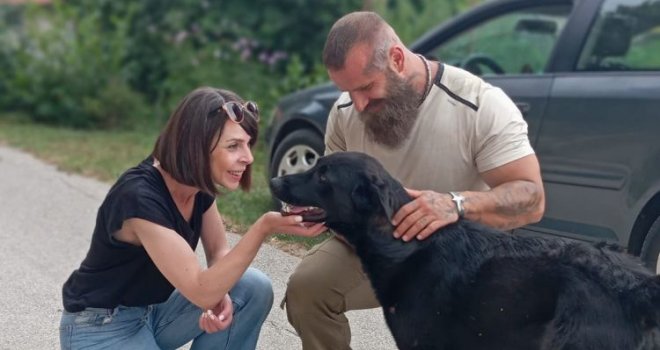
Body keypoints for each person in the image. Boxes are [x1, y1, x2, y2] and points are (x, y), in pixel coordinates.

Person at [283, 11, 546, 349]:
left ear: (396, 59)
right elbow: (332, 194)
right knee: (308, 288)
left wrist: (456, 205)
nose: (357, 104)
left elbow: (531, 197)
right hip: (372, 245)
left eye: (365, 87)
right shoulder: (345, 110)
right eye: (348, 91)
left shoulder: (480, 104)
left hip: (460, 258)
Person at [59, 87, 326, 350]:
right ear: (196, 146)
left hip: (152, 313)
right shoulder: (138, 197)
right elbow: (200, 289)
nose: (248, 158)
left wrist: (220, 296)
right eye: (233, 146)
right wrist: (263, 228)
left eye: (247, 145)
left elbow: (218, 250)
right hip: (99, 327)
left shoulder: (196, 187)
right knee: (215, 288)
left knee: (251, 287)